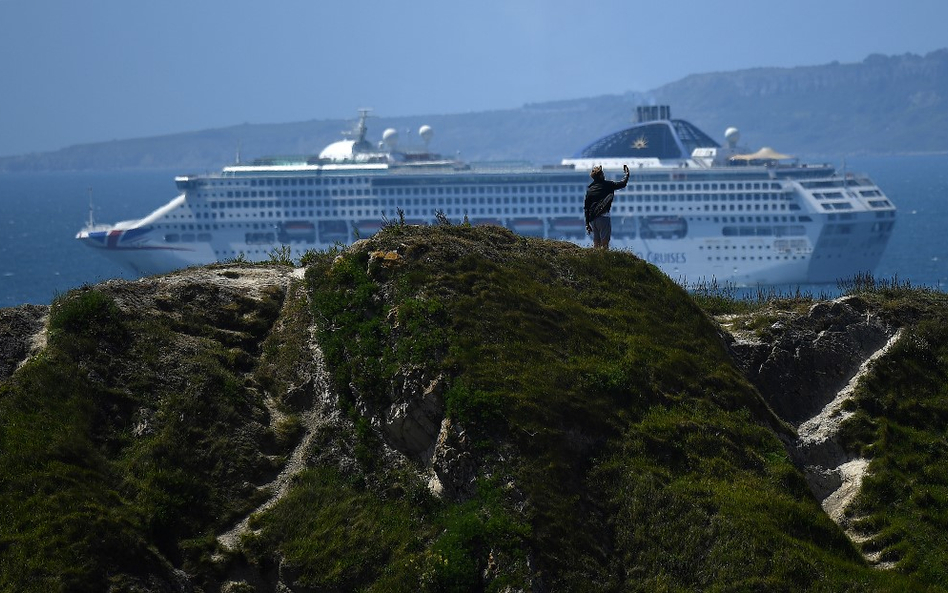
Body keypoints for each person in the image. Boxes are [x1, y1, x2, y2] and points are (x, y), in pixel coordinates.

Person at [584, 163, 630, 249]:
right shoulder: (607, 185)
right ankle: (604, 259)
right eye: (603, 174)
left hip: (593, 219)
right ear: (601, 176)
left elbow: (586, 207)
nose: (604, 175)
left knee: (596, 242)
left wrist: (587, 223)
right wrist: (627, 174)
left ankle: (595, 259)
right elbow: (623, 184)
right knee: (605, 242)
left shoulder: (590, 189)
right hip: (603, 217)